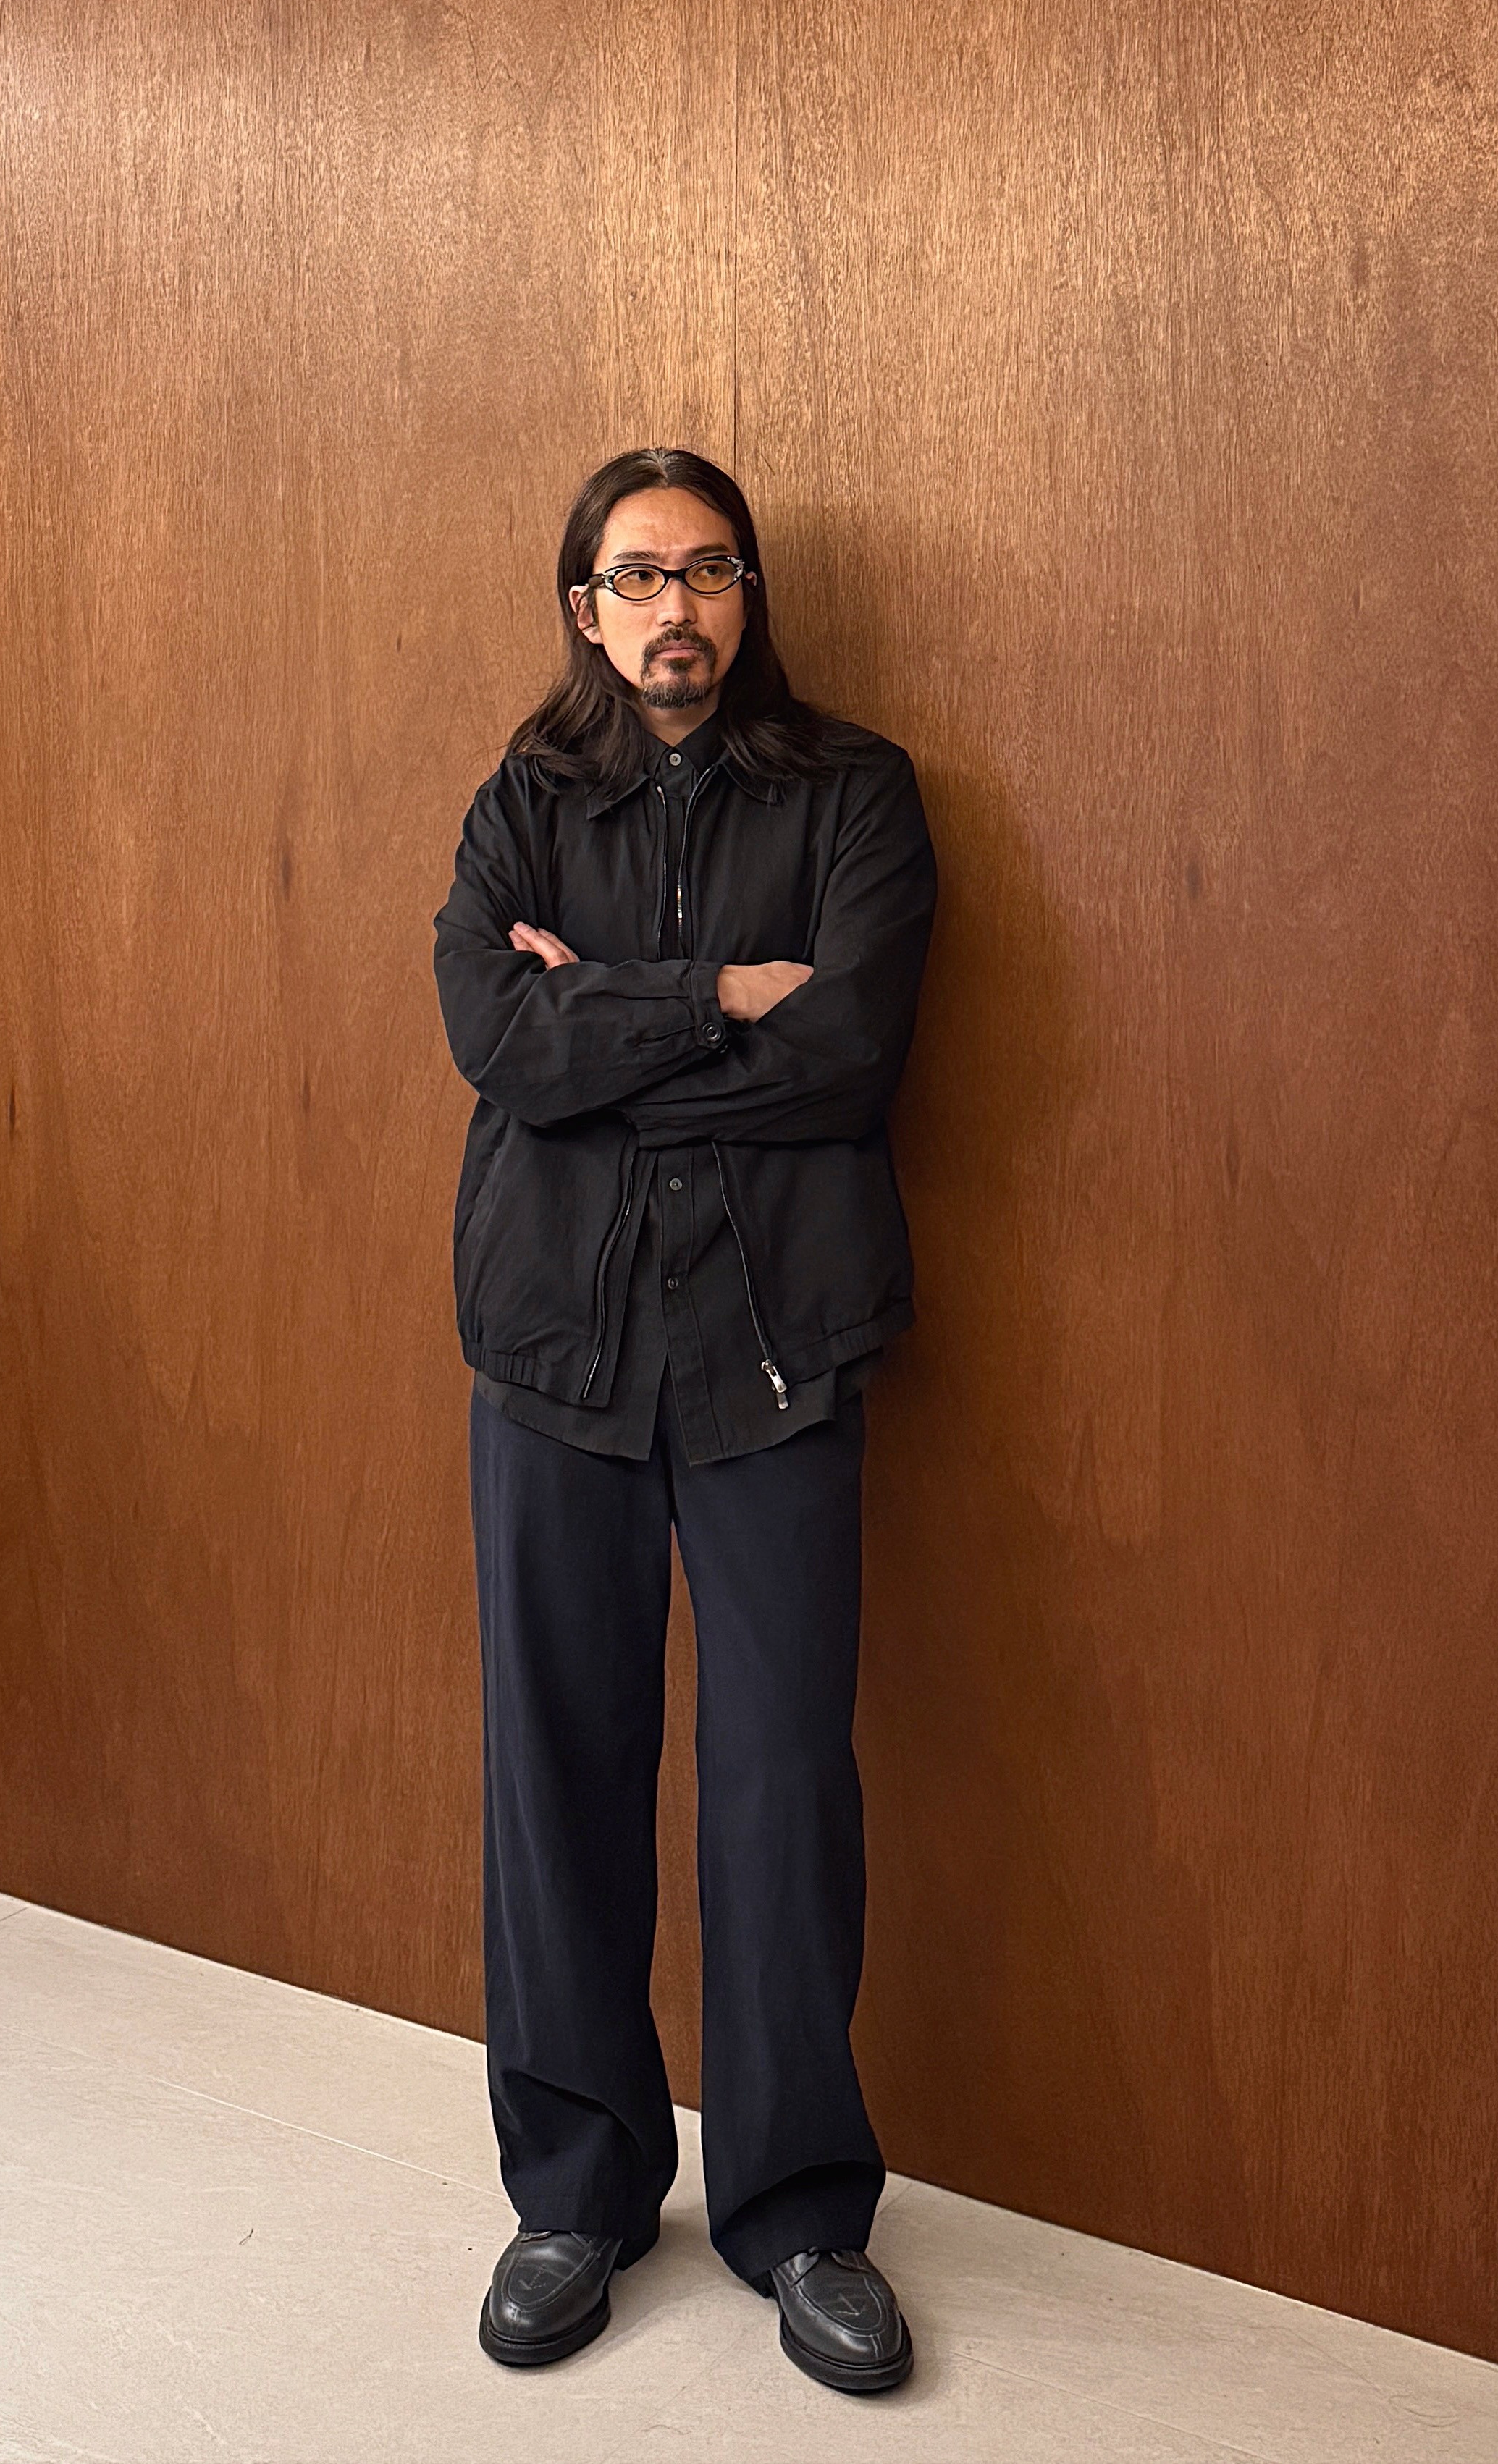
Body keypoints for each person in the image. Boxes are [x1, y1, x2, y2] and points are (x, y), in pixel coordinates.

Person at [432, 447, 936, 2396]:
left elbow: (850, 1056)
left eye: (708, 570)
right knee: (555, 1770)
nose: (676, 607)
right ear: (586, 606)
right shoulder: (522, 798)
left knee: (782, 1785)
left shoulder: (855, 794)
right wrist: (719, 990)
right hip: (552, 1351)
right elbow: (490, 1035)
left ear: (746, 595)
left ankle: (799, 2213)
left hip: (774, 1352)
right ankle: (574, 2191)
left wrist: (602, 1036)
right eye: (638, 574)